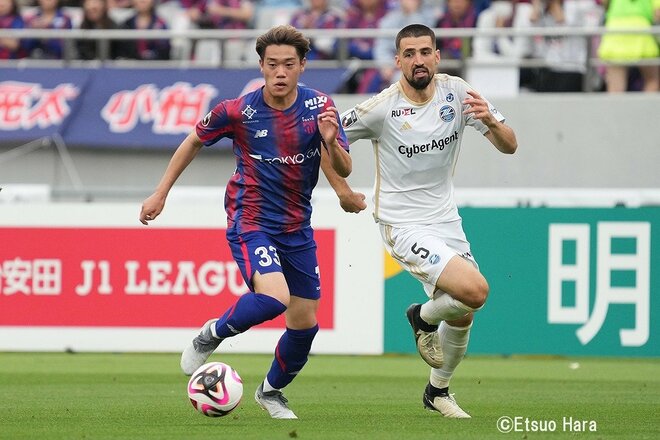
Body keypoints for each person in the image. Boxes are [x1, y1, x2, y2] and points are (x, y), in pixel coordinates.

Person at [139, 25, 353, 419]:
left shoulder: (320, 108)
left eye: (289, 64)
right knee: (274, 298)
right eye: (272, 64)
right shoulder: (237, 110)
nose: (280, 72)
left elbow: (344, 165)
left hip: (297, 228)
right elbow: (193, 140)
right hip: (250, 219)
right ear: (262, 66)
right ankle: (212, 334)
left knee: (305, 326)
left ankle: (271, 392)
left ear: (302, 66)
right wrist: (160, 192)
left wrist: (328, 140)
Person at [329, 23, 518, 418]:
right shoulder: (382, 107)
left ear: (437, 56)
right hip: (402, 224)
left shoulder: (459, 92)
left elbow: (510, 146)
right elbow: (325, 137)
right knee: (477, 291)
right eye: (409, 54)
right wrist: (343, 190)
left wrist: (494, 122)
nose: (418, 60)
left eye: (425, 52)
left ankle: (438, 392)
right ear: (398, 61)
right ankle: (421, 316)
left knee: (464, 310)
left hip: (446, 220)